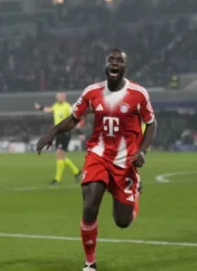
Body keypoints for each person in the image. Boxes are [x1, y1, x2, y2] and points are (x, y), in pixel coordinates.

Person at [36, 49, 156, 271]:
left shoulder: (138, 94)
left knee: (123, 221)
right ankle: (90, 263)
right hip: (98, 155)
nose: (114, 63)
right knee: (90, 205)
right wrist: (51, 133)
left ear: (125, 67)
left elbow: (151, 123)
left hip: (124, 162)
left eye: (119, 60)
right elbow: (74, 118)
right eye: (111, 60)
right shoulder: (92, 92)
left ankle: (135, 188)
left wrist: (143, 151)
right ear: (106, 65)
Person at [35, 92, 82, 185]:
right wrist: (40, 107)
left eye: (61, 96)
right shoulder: (56, 105)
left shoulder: (67, 106)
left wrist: (79, 132)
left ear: (64, 97)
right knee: (60, 155)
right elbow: (49, 110)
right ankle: (76, 171)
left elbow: (75, 117)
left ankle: (57, 179)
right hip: (58, 133)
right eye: (58, 96)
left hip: (65, 132)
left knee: (59, 155)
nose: (60, 98)